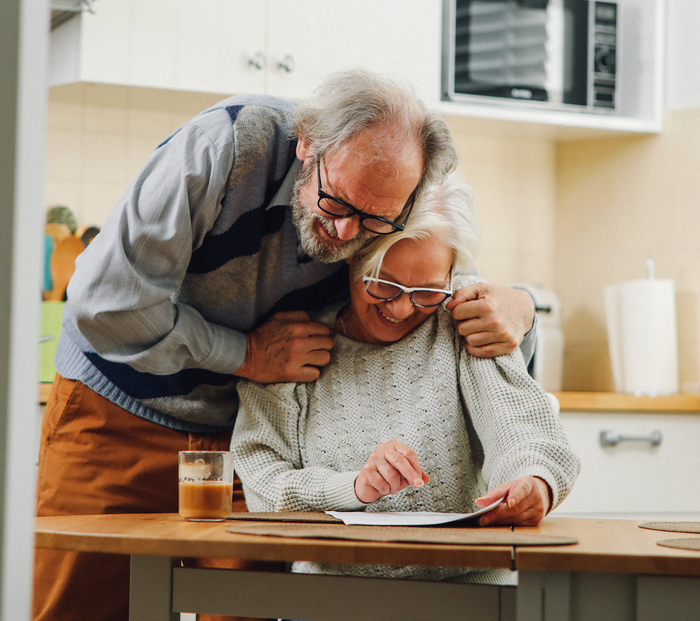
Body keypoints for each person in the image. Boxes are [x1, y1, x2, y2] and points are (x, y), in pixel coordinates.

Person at [33, 70, 537, 621]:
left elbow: (436, 282)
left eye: (376, 221)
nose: (347, 235)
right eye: (336, 204)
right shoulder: (223, 146)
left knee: (244, 612)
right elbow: (106, 303)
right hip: (119, 413)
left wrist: (523, 306)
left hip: (247, 438)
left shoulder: (391, 193)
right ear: (306, 144)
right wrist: (245, 353)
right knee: (73, 608)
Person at [231, 175, 581, 586]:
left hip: (469, 597)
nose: (400, 308)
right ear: (351, 256)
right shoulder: (292, 348)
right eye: (383, 283)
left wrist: (535, 483)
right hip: (331, 601)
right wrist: (354, 488)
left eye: (427, 292)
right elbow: (262, 484)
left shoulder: (463, 320)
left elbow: (526, 432)